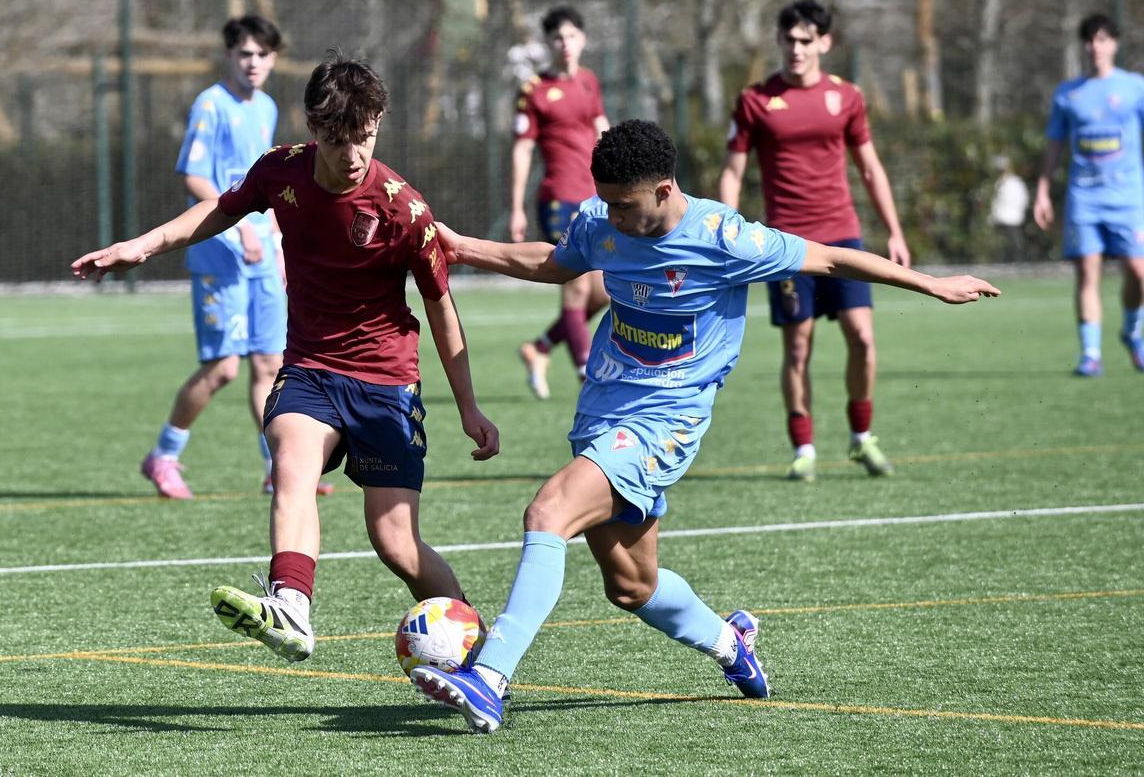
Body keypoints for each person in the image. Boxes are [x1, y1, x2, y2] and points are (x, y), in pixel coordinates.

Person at [408, 120, 998, 733]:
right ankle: (730, 643)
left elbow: (828, 258)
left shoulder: (725, 238)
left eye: (623, 204)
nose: (610, 215)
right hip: (602, 413)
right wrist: (463, 246)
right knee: (632, 587)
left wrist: (932, 283)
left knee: (548, 510)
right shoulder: (602, 220)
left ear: (664, 190)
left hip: (666, 422)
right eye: (605, 200)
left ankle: (490, 678)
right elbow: (557, 262)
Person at [72, 53, 500, 663]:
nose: (352, 153)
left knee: (396, 543)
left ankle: (482, 658)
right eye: (337, 138)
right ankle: (291, 608)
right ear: (312, 127)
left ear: (378, 125)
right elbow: (215, 212)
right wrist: (141, 246)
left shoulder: (404, 210)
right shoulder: (281, 173)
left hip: (385, 382)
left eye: (365, 137)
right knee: (292, 462)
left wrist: (469, 407)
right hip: (310, 371)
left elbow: (441, 309)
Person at [717, 0, 911, 483]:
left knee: (863, 339)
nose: (796, 48)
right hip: (785, 244)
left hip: (843, 234)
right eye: (789, 39)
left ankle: (861, 437)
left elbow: (870, 167)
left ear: (824, 42)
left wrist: (895, 230)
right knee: (798, 348)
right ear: (779, 41)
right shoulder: (755, 100)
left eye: (806, 40)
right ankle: (803, 446)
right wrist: (725, 229)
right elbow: (732, 171)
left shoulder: (847, 97)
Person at [140, 15, 333, 500]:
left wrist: (274, 239)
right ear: (229, 55)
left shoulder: (265, 107)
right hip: (220, 255)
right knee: (224, 367)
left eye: (263, 55)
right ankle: (163, 455)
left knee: (270, 364)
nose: (254, 63)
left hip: (262, 253)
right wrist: (244, 225)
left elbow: (264, 184)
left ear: (273, 59)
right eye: (245, 53)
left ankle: (277, 469)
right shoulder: (211, 105)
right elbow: (195, 176)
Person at [1033, 13, 1144, 376]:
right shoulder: (1068, 93)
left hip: (1128, 197)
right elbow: (1054, 145)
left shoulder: (1134, 87)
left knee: (1139, 273)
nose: (1093, 47)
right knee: (1087, 271)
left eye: (1100, 39)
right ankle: (1091, 353)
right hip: (1085, 197)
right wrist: (1043, 190)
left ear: (1114, 43)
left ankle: (1132, 331)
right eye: (1088, 40)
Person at [509, 5, 611, 399]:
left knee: (604, 292)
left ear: (582, 39)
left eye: (571, 36)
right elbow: (521, 150)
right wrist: (516, 206)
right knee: (576, 287)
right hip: (559, 200)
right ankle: (588, 375)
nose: (565, 44)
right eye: (557, 38)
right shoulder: (534, 90)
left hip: (596, 200)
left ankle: (540, 348)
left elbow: (603, 131)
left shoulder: (589, 82)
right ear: (547, 43)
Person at [989, 155, 1028, 263]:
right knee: (1000, 250)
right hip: (999, 221)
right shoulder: (996, 183)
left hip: (1013, 220)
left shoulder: (1015, 183)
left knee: (1015, 247)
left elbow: (1022, 200)